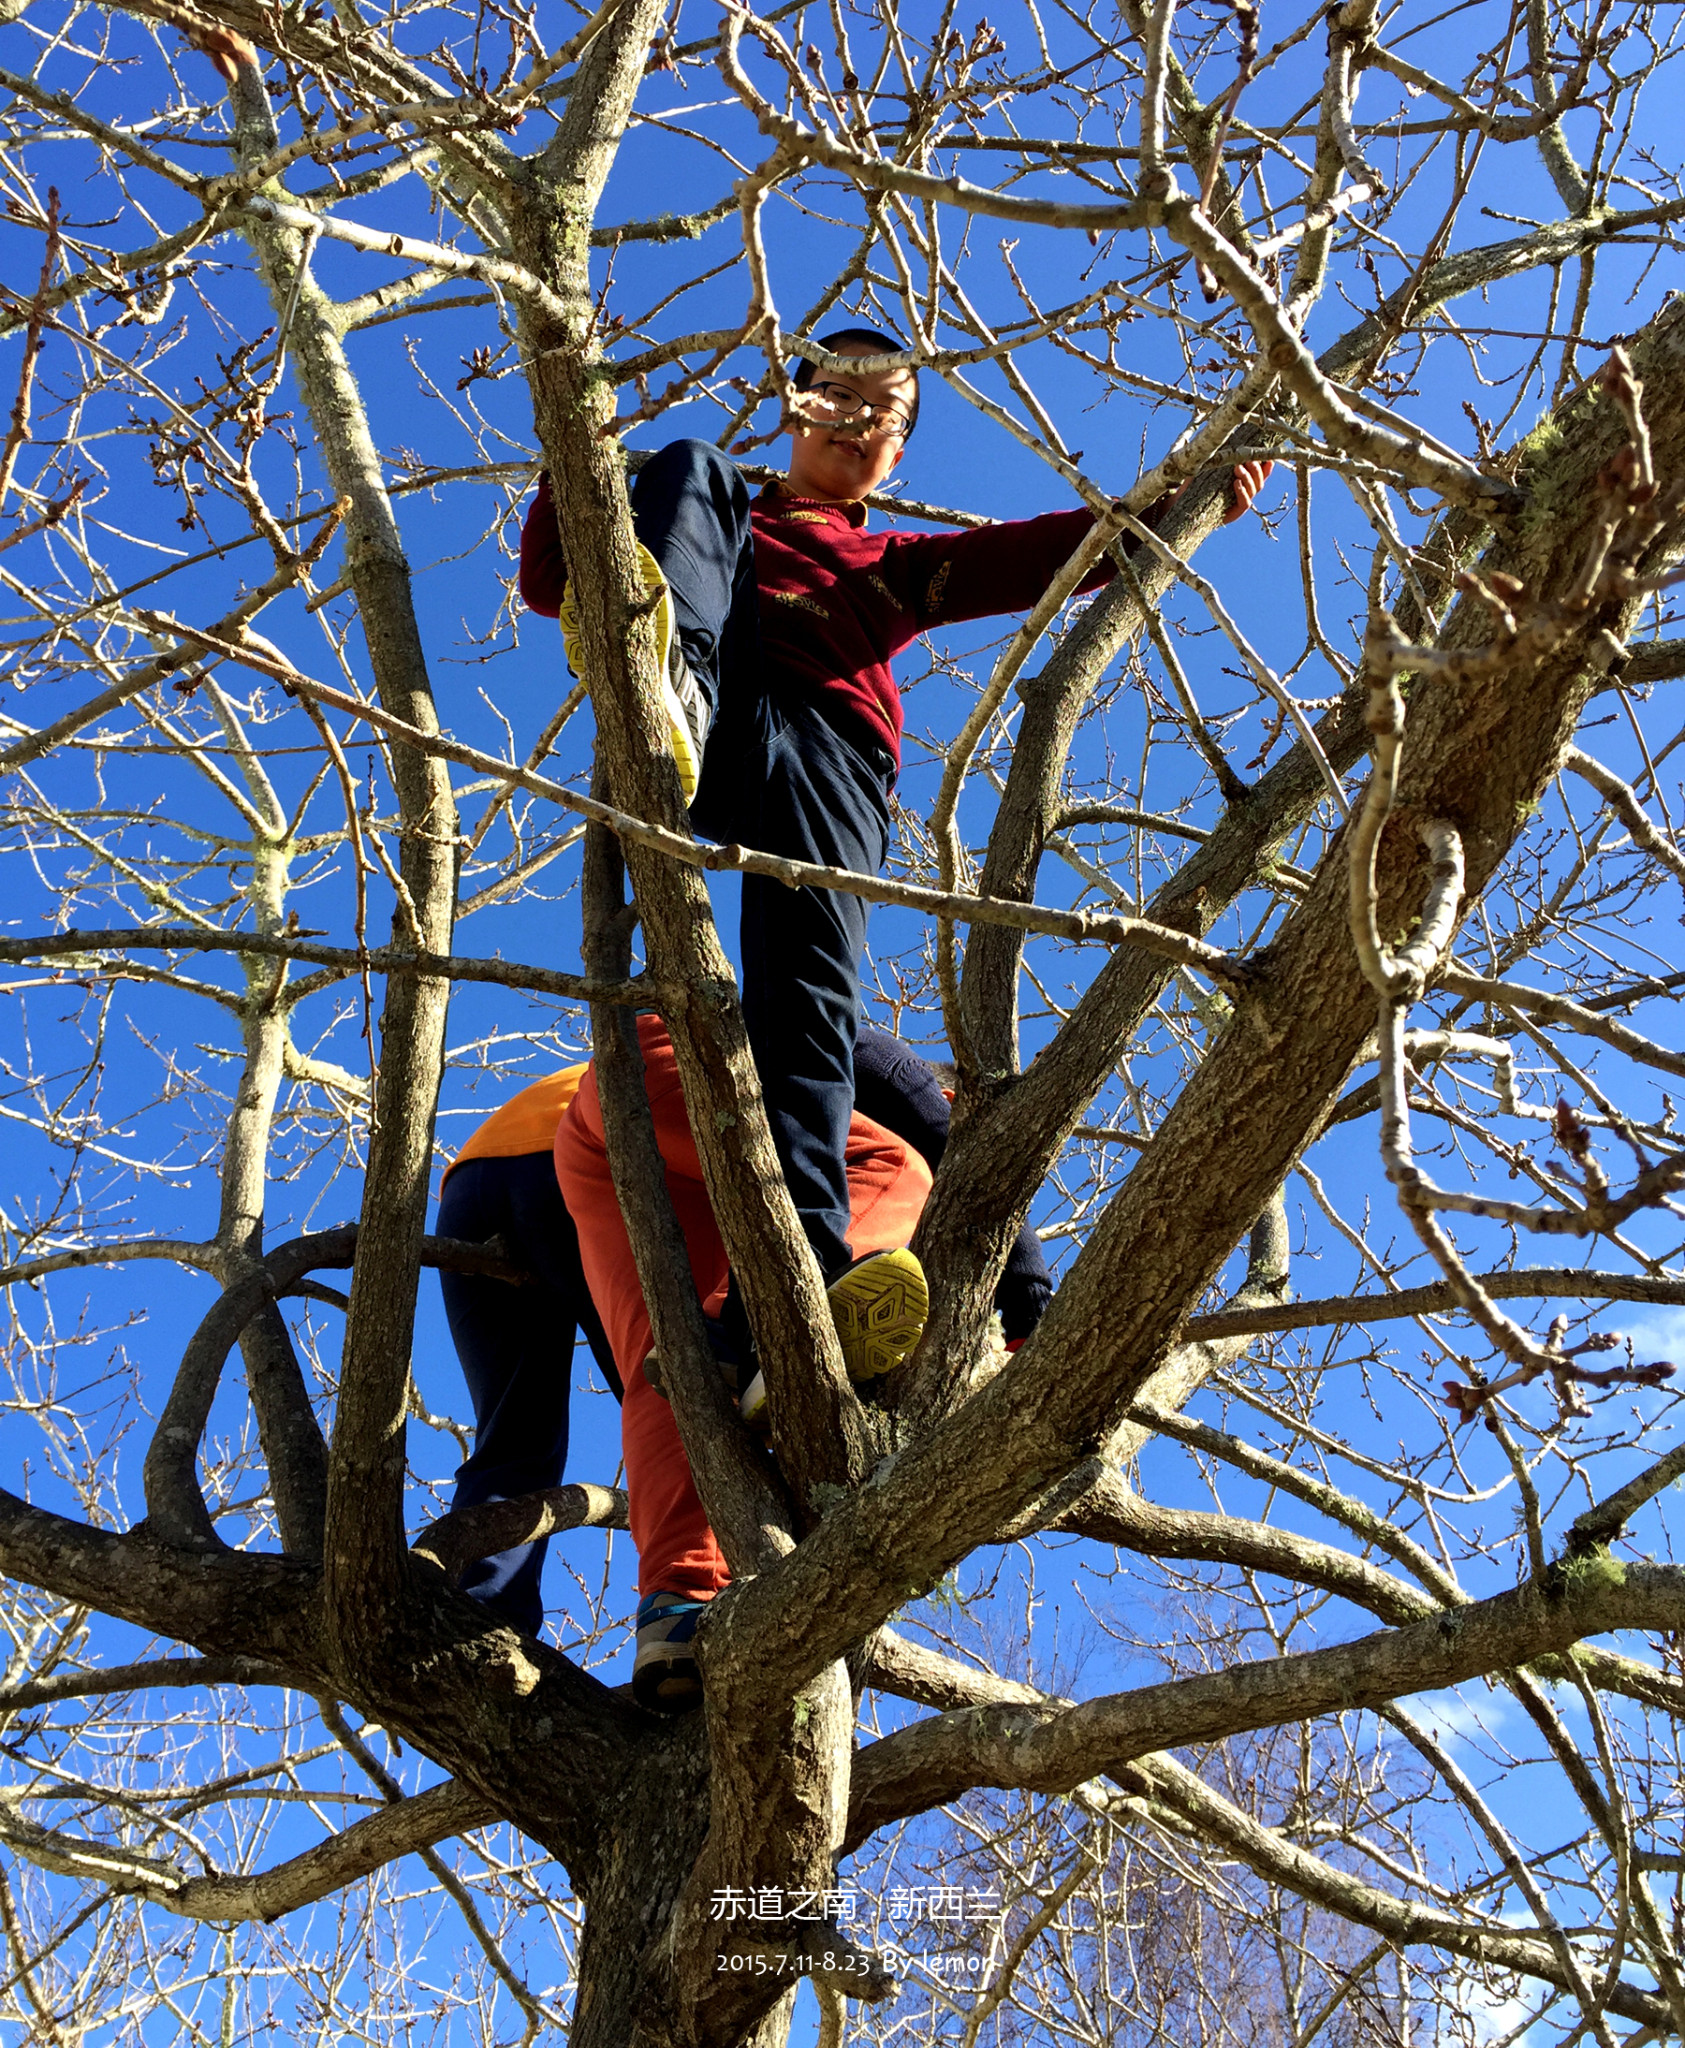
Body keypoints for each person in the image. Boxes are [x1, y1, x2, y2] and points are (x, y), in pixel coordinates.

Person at [520, 331, 1269, 1388]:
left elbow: (1043, 551)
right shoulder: (707, 499)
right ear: (797, 407)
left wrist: (1180, 508)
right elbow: (553, 583)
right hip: (717, 703)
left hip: (830, 750)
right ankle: (667, 681)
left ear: (896, 460)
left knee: (803, 1005)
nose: (860, 416)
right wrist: (576, 453)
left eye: (888, 413)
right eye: (838, 393)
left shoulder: (892, 561)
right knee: (686, 462)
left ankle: (797, 1290)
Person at [434, 1024, 1049, 1645]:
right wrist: (1031, 1316)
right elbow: (958, 1151)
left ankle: (479, 1628)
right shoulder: (881, 1071)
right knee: (892, 1170)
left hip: (475, 1183)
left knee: (598, 1404)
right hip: (620, 1117)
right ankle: (774, 1347)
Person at [554, 1013, 936, 1712]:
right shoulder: (883, 1061)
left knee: (680, 1358)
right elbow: (941, 1143)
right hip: (663, 1064)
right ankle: (771, 1331)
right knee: (888, 1165)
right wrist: (1023, 1327)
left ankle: (679, 1602)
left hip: (599, 1131)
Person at [434, 1067, 619, 1639]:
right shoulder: (702, 1047)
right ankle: (698, 1596)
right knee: (678, 1400)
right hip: (580, 1159)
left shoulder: (598, 1059)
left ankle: (484, 1620)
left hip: (470, 1183)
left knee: (514, 1437)